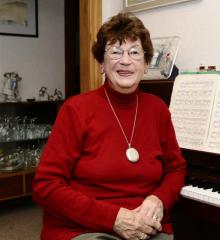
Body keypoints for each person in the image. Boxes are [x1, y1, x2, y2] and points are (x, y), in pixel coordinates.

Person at [33, 12, 186, 240]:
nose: (125, 61)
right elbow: (46, 186)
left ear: (145, 64)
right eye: (115, 52)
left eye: (135, 52)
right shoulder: (76, 110)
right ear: (101, 64)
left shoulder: (158, 109)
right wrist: (113, 218)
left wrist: (158, 200)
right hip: (85, 227)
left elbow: (176, 169)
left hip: (147, 227)